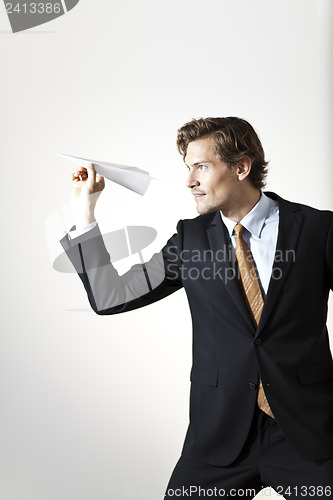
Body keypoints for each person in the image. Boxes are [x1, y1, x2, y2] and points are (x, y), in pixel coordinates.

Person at [60, 117, 333, 499]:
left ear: (241, 167)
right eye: (188, 168)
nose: (190, 181)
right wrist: (84, 212)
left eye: (201, 167)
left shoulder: (318, 229)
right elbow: (110, 297)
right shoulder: (190, 240)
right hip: (220, 434)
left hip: (309, 432)